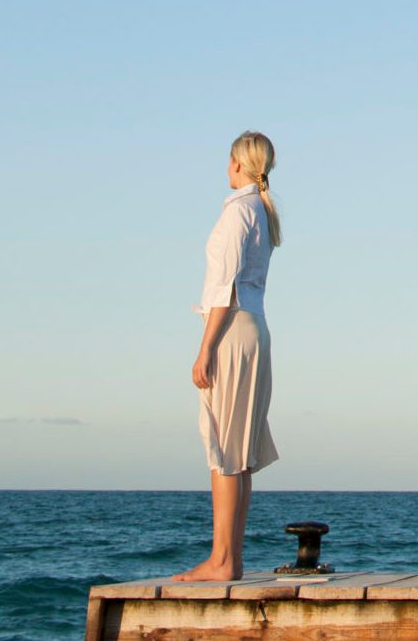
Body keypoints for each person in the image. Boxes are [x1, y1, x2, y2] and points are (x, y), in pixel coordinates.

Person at [173, 131, 282, 582]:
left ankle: (221, 559)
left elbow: (224, 288)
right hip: (253, 328)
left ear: (237, 163)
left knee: (224, 447)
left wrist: (204, 350)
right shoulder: (261, 212)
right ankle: (229, 559)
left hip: (232, 328)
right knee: (239, 452)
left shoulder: (239, 211)